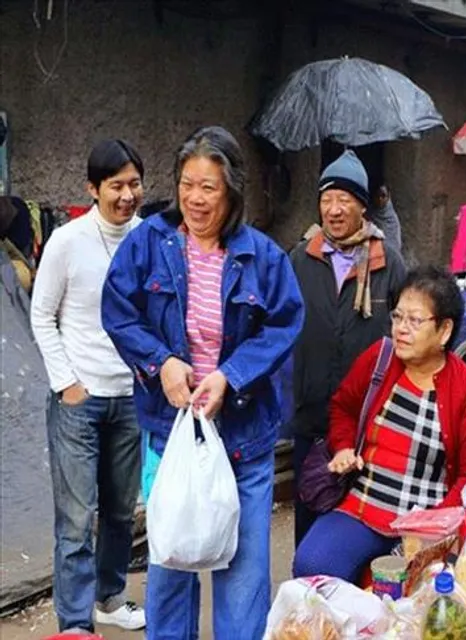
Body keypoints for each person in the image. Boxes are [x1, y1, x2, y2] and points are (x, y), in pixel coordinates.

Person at [101, 126, 305, 639]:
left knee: (243, 579)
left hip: (245, 440)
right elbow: (118, 311)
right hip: (170, 435)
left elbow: (285, 323)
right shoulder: (149, 242)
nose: (195, 198)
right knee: (171, 567)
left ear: (231, 190)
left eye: (208, 187)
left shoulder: (263, 256)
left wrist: (230, 375)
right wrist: (162, 363)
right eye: (187, 184)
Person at [292, 266, 466, 582]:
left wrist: (433, 526)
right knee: (313, 563)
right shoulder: (380, 358)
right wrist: (344, 447)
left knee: (418, 592)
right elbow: (344, 407)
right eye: (398, 317)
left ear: (444, 330)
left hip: (427, 521)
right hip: (363, 506)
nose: (401, 329)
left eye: (414, 321)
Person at [30, 140, 147, 634]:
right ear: (93, 188)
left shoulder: (148, 239)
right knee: (77, 519)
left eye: (135, 184)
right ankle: (75, 623)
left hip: (132, 398)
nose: (127, 195)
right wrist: (67, 383)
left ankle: (109, 597)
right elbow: (41, 314)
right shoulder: (67, 241)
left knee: (121, 512)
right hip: (79, 400)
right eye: (116, 185)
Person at [290, 150, 407, 546]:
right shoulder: (301, 258)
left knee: (363, 521)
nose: (334, 210)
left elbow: (406, 330)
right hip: (312, 417)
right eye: (327, 199)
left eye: (344, 199)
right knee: (310, 511)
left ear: (362, 206)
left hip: (368, 421)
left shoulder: (387, 262)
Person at [367, 184, 403, 254]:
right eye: (377, 196)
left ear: (388, 197)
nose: (380, 199)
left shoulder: (392, 220)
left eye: (383, 196)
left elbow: (395, 244)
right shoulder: (369, 214)